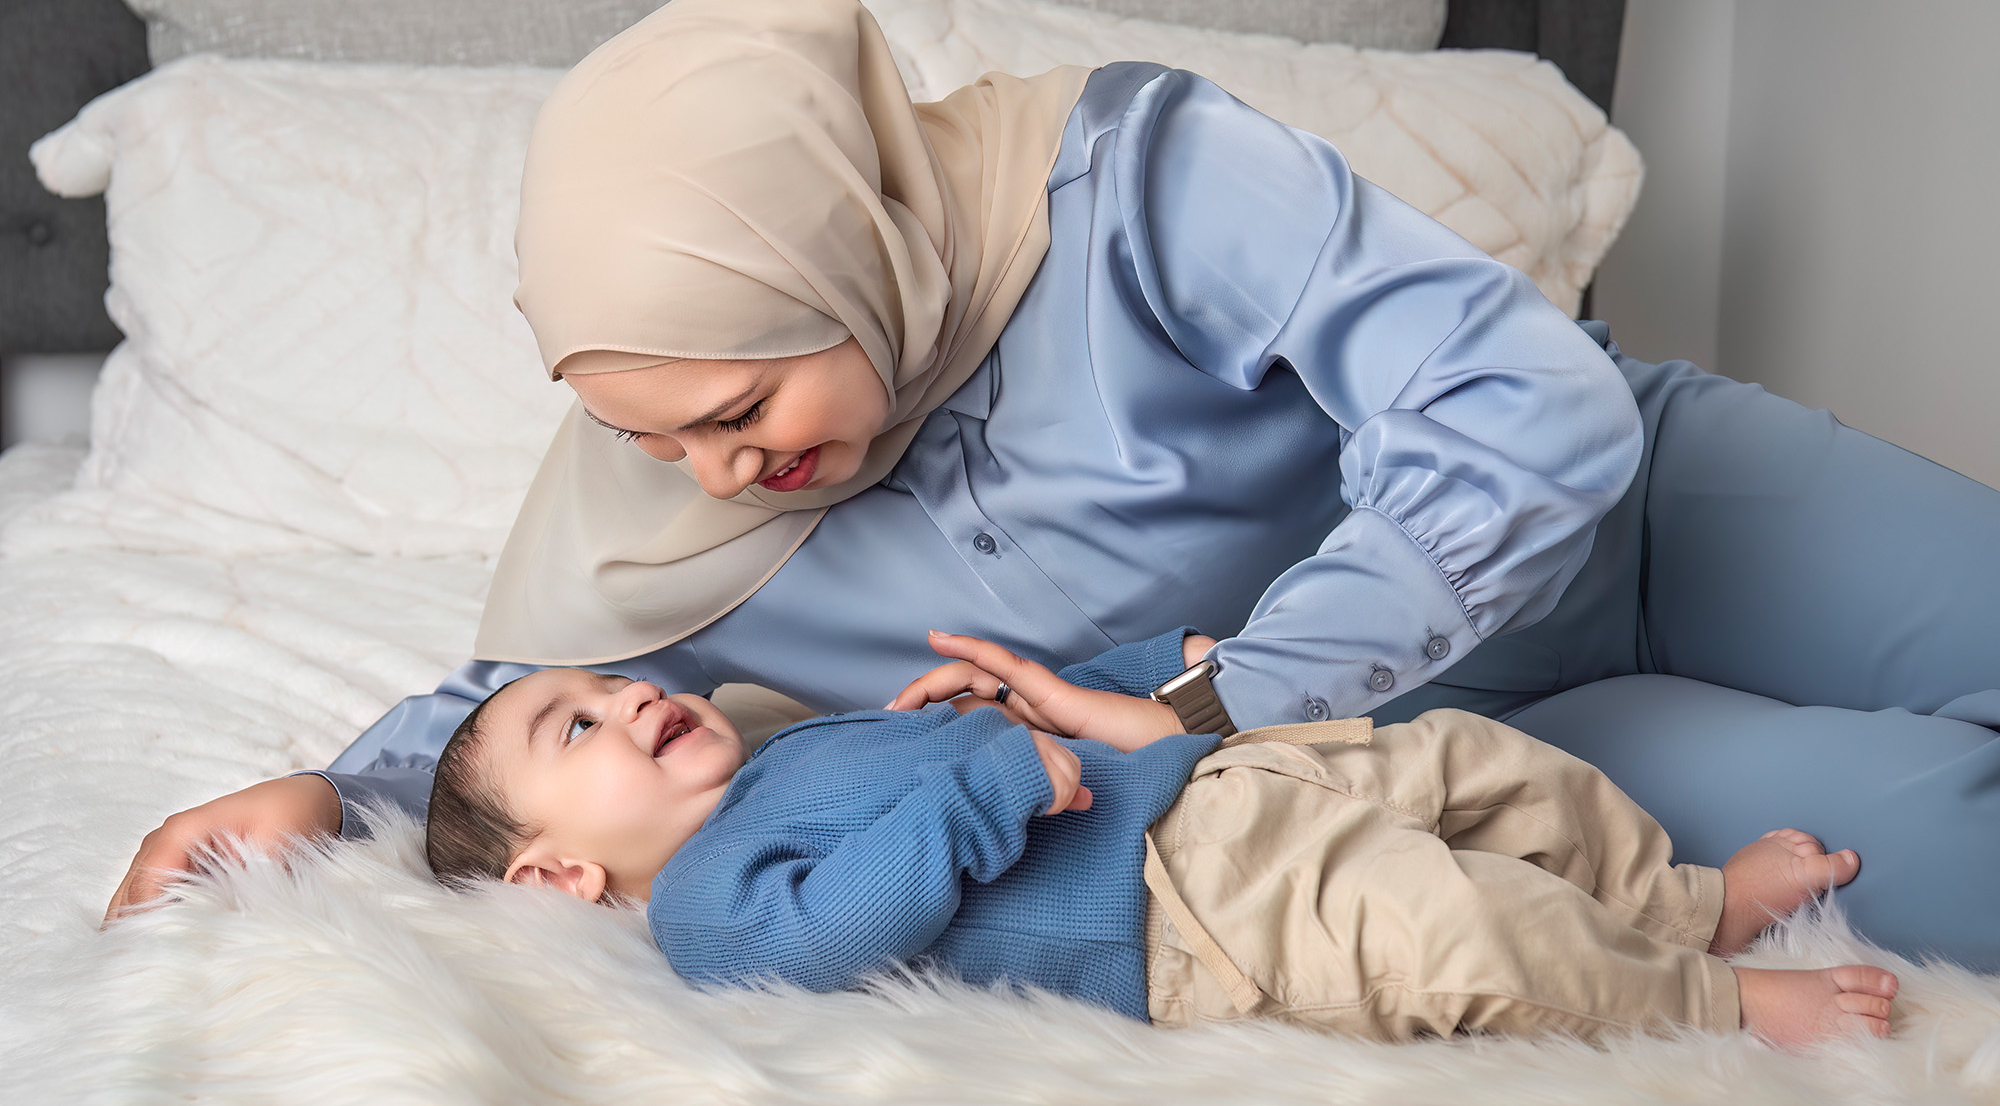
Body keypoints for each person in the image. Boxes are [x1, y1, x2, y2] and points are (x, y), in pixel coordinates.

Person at [106, 0, 2000, 975]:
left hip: (1646, 509)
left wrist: (1213, 693)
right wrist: (317, 795)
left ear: (848, 240)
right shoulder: (680, 516)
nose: (714, 475)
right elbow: (541, 736)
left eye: (746, 399)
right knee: (1960, 856)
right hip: (1475, 757)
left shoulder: (1130, 176)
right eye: (644, 429)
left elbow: (1527, 413)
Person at [423, 629, 1898, 1047]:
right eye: (576, 730)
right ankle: (1713, 1001)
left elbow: (1062, 739)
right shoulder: (704, 908)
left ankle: (1678, 898)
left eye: (613, 684)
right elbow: (827, 939)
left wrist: (1099, 686)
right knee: (1455, 927)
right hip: (1185, 917)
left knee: (1497, 773)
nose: (629, 702)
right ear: (560, 873)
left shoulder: (794, 746)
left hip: (1228, 787)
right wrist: (978, 784)